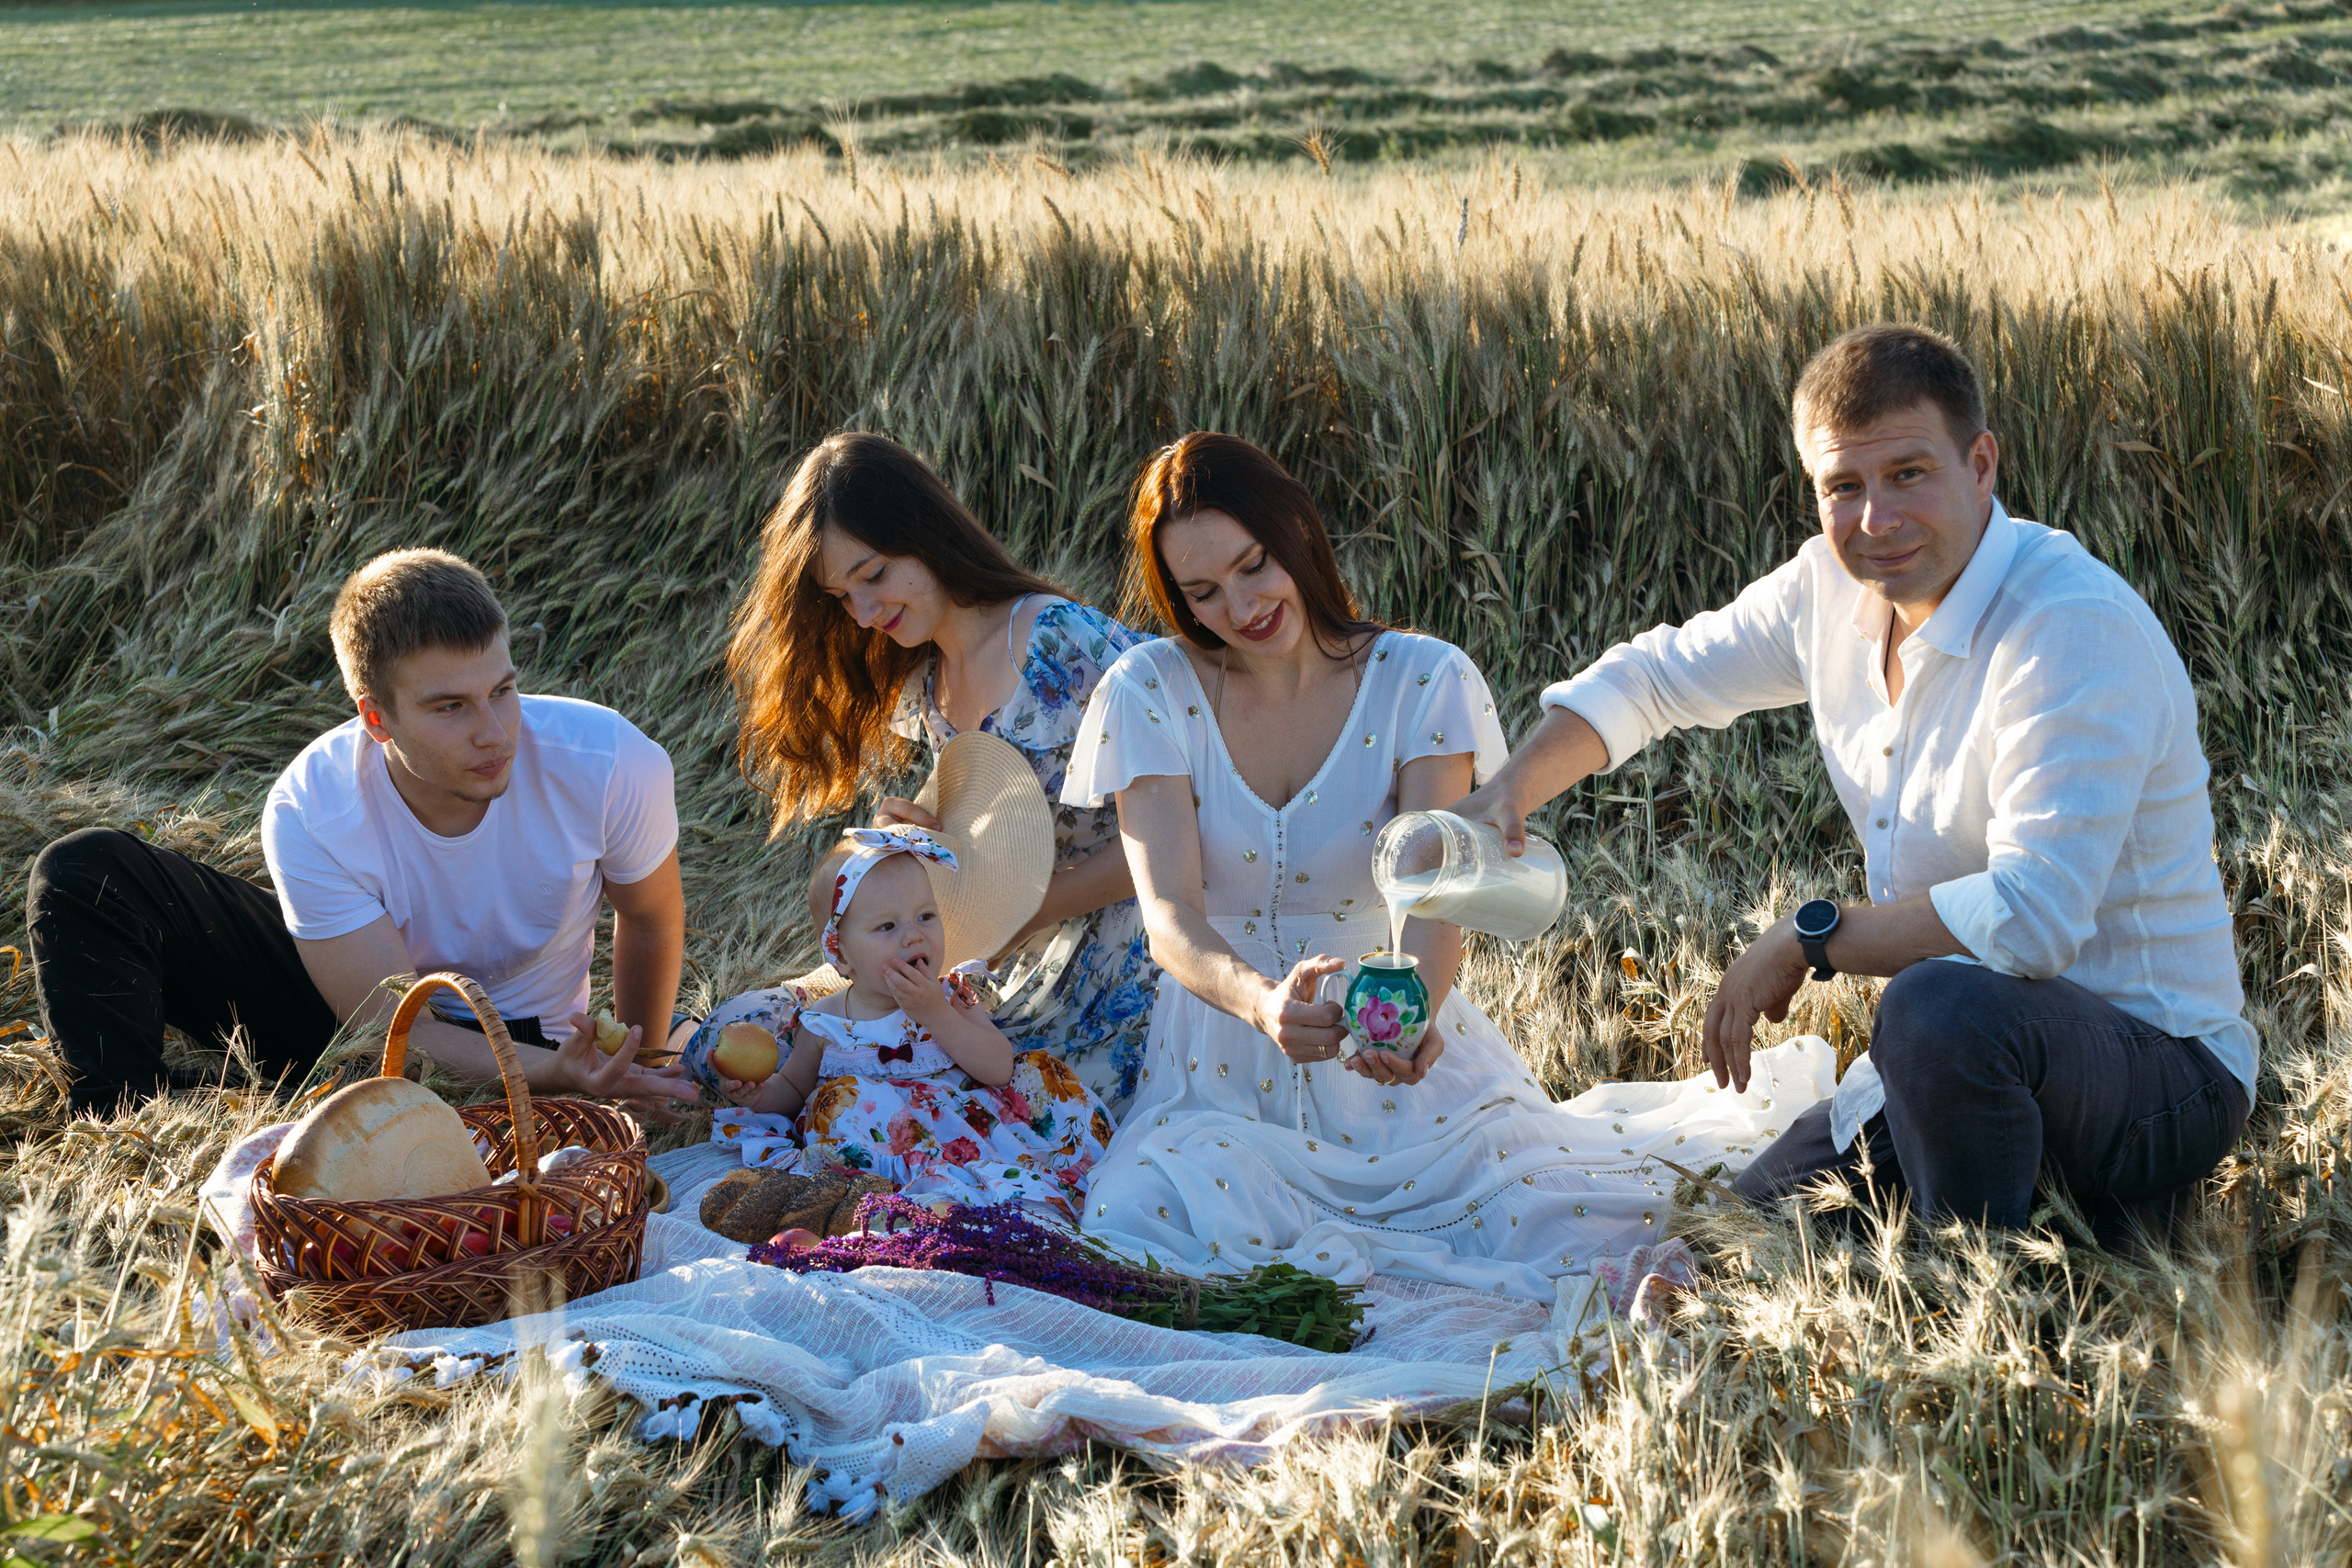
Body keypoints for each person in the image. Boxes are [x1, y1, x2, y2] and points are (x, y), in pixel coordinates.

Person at [1458, 323, 2254, 1236]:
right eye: (1842, 486)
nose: (1875, 520)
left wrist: (1808, 941)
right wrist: (1510, 791)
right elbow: (1655, 678)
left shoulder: (2067, 626)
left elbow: (2033, 919)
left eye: (1908, 473)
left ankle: (1986, 1299)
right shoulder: (1824, 594)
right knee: (1738, 1239)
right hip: (1949, 1065)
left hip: (2155, 1076)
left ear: (1981, 463)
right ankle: (2024, 1212)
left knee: (1936, 1003)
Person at [1064, 433, 1812, 1299]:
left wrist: (1411, 1015)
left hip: (1378, 1034)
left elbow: (1435, 889)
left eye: (1253, 564)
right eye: (1202, 591)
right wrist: (1262, 1003)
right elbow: (1169, 918)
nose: (1240, 603)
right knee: (1139, 1222)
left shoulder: (1421, 678)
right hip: (1217, 1069)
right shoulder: (1149, 688)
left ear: (1296, 530)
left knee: (1546, 1221)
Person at [27, 548, 697, 1120]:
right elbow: (382, 1029)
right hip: (352, 1021)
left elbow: (650, 918)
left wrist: (641, 1066)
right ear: (376, 720)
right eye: (450, 706)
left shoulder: (609, 761)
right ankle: (129, 1117)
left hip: (539, 1042)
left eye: (502, 689)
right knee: (84, 872)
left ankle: (287, 1104)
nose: (493, 732)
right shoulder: (312, 805)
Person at [720, 432, 1159, 1112]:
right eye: (842, 596)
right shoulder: (928, 682)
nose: (864, 614)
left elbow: (1182, 821)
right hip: (994, 955)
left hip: (1110, 951)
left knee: (1003, 1103)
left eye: (872, 576)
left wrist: (1030, 908)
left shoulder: (1057, 642)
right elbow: (989, 853)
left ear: (923, 530)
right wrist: (911, 849)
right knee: (741, 1025)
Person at [687, 816, 1115, 1221]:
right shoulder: (826, 1022)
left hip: (967, 1138)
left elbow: (1000, 1068)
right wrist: (759, 1097)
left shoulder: (951, 997)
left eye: (925, 916)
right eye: (887, 926)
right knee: (844, 1110)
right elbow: (795, 1087)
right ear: (840, 954)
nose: (914, 934)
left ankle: (987, 1201)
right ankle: (903, 1212)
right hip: (887, 1155)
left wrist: (936, 1014)